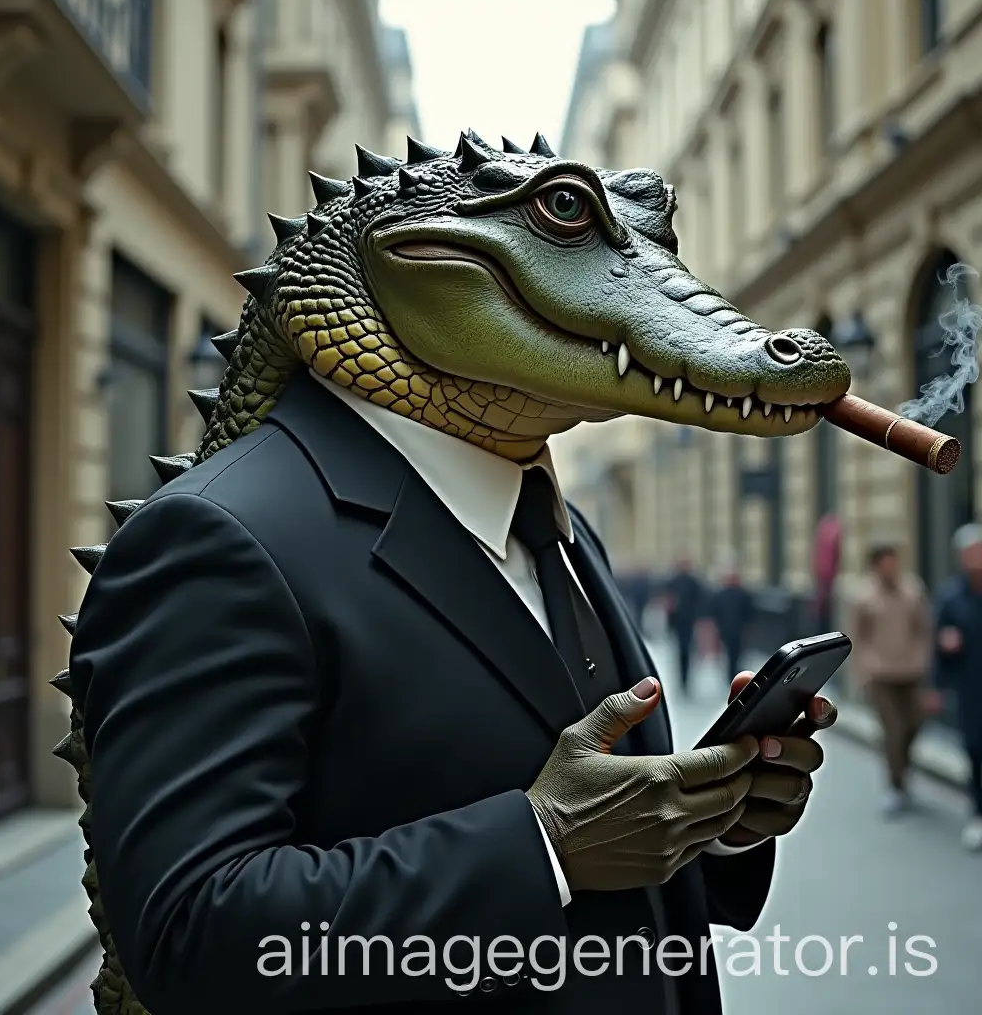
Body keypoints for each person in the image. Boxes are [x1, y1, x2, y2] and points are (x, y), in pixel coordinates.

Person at [71, 370, 838, 1014]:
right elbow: (190, 934)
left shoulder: (559, 525)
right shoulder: (220, 533)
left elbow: (620, 835)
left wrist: (717, 818)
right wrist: (545, 848)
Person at [847, 544, 933, 816]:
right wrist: (861, 671)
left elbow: (924, 628)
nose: (890, 568)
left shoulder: (913, 590)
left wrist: (923, 659)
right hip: (880, 673)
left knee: (914, 724)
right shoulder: (863, 597)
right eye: (884, 563)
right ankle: (895, 785)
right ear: (875, 566)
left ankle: (902, 767)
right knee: (893, 730)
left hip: (911, 672)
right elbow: (856, 637)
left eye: (893, 562)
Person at [934, 524, 982, 850]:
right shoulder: (951, 598)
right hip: (969, 690)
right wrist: (937, 686)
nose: (978, 558)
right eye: (971, 553)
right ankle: (980, 814)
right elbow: (938, 644)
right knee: (973, 754)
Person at [710, 563, 756, 687]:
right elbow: (715, 613)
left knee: (738, 655)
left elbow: (749, 613)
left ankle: (736, 675)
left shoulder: (744, 594)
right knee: (729, 655)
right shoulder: (720, 595)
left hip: (738, 630)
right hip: (726, 630)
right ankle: (731, 677)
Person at [666, 555, 705, 696]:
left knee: (687, 650)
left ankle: (686, 680)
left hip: (689, 622)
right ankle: (682, 680)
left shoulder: (694, 582)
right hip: (677, 622)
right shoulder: (672, 581)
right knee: (680, 651)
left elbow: (700, 601)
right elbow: (668, 601)